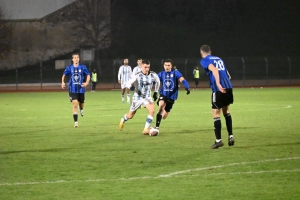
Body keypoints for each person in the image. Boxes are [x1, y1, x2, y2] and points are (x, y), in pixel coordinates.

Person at [199, 45, 234, 149]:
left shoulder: (205, 60)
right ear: (211, 51)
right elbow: (228, 75)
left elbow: (214, 70)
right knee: (226, 111)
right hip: (228, 86)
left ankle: (218, 140)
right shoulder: (219, 58)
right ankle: (231, 136)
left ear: (201, 53)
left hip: (218, 89)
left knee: (215, 113)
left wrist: (218, 84)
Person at [119, 59, 160, 134]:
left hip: (147, 97)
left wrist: (156, 92)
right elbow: (128, 83)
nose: (147, 69)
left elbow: (158, 81)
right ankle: (123, 119)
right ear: (141, 67)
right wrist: (133, 89)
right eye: (145, 67)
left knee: (152, 111)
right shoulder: (137, 75)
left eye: (148, 67)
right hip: (137, 98)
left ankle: (145, 129)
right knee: (130, 116)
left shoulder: (153, 74)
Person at [154, 58, 190, 131]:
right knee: (161, 105)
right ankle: (157, 127)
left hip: (172, 97)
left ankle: (164, 110)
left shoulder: (175, 73)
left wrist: (187, 87)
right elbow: (153, 81)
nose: (167, 67)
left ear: (171, 66)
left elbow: (182, 79)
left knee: (164, 116)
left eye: (168, 65)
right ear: (163, 66)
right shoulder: (161, 74)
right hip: (163, 94)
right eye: (165, 65)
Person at [61, 53, 90, 128]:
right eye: (75, 57)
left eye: (77, 57)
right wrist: (63, 82)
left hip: (81, 89)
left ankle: (81, 108)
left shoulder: (83, 67)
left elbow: (88, 75)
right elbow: (64, 75)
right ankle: (76, 122)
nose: (76, 59)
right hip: (72, 89)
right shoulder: (69, 68)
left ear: (79, 59)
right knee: (75, 104)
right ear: (72, 59)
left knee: (82, 104)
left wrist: (86, 83)